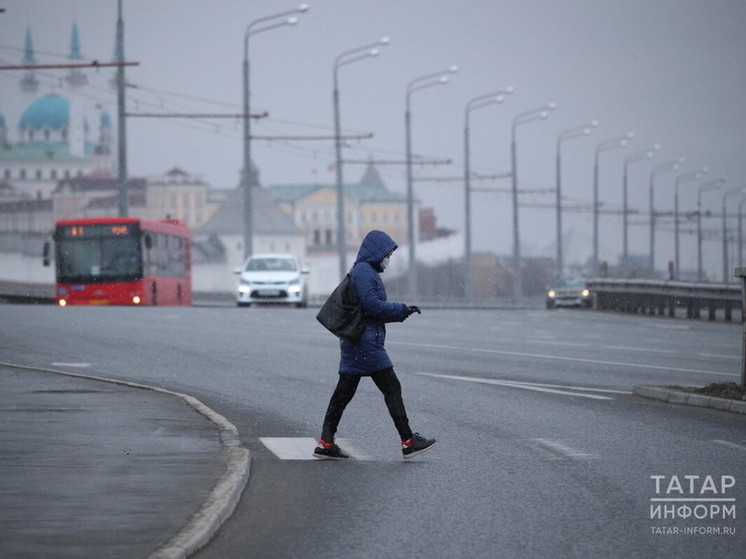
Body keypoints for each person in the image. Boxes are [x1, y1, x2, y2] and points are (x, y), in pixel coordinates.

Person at [313, 230, 436, 460]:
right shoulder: (364, 272)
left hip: (358, 341)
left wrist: (399, 312)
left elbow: (371, 306)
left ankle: (326, 442)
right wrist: (402, 310)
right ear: (377, 252)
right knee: (392, 389)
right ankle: (408, 441)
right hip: (365, 344)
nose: (388, 258)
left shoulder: (364, 271)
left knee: (343, 393)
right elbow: (373, 306)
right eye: (387, 254)